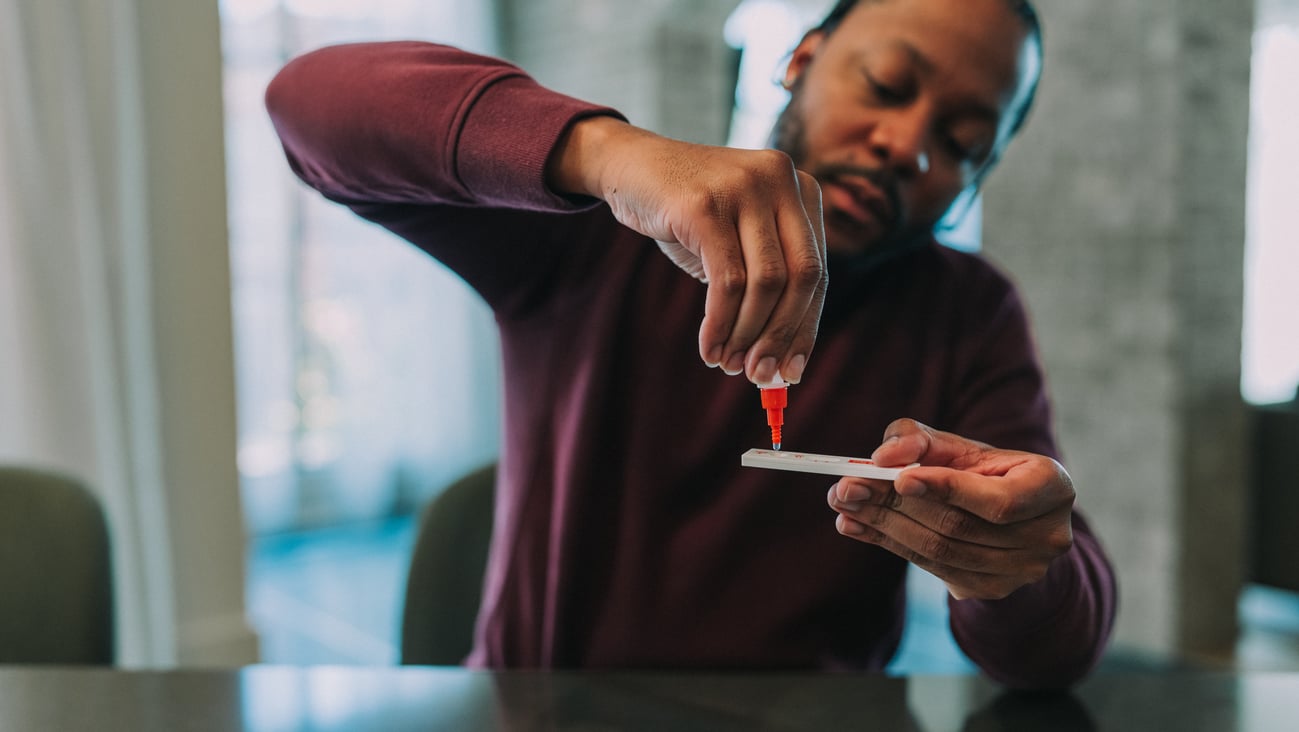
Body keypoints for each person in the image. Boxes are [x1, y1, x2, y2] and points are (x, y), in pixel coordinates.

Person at [266, 0, 1117, 688]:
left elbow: (1058, 651)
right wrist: (602, 155)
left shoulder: (968, 312)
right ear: (801, 60)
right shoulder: (594, 233)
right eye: (888, 84)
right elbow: (307, 103)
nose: (907, 145)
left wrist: (1014, 571)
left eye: (965, 142)